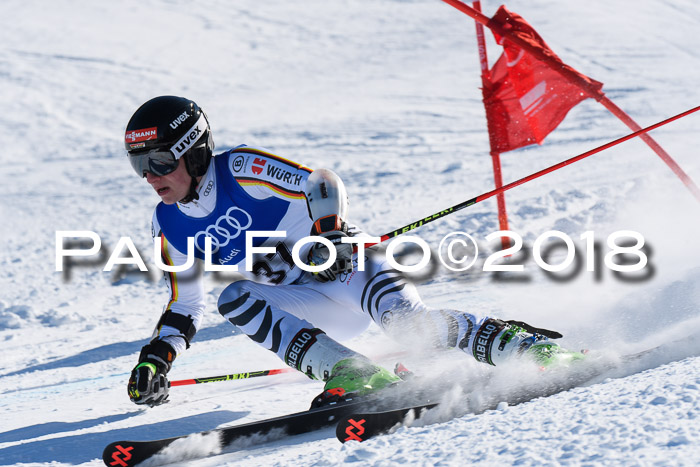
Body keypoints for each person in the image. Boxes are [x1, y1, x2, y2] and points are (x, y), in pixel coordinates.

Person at [124, 96, 581, 407]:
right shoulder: (167, 223)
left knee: (412, 328)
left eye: (159, 161)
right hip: (311, 303)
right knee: (234, 298)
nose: (150, 176)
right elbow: (186, 304)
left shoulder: (240, 167)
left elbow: (319, 181)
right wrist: (156, 358)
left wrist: (331, 236)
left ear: (195, 151)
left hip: (346, 269)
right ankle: (348, 371)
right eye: (140, 165)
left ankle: (523, 346)